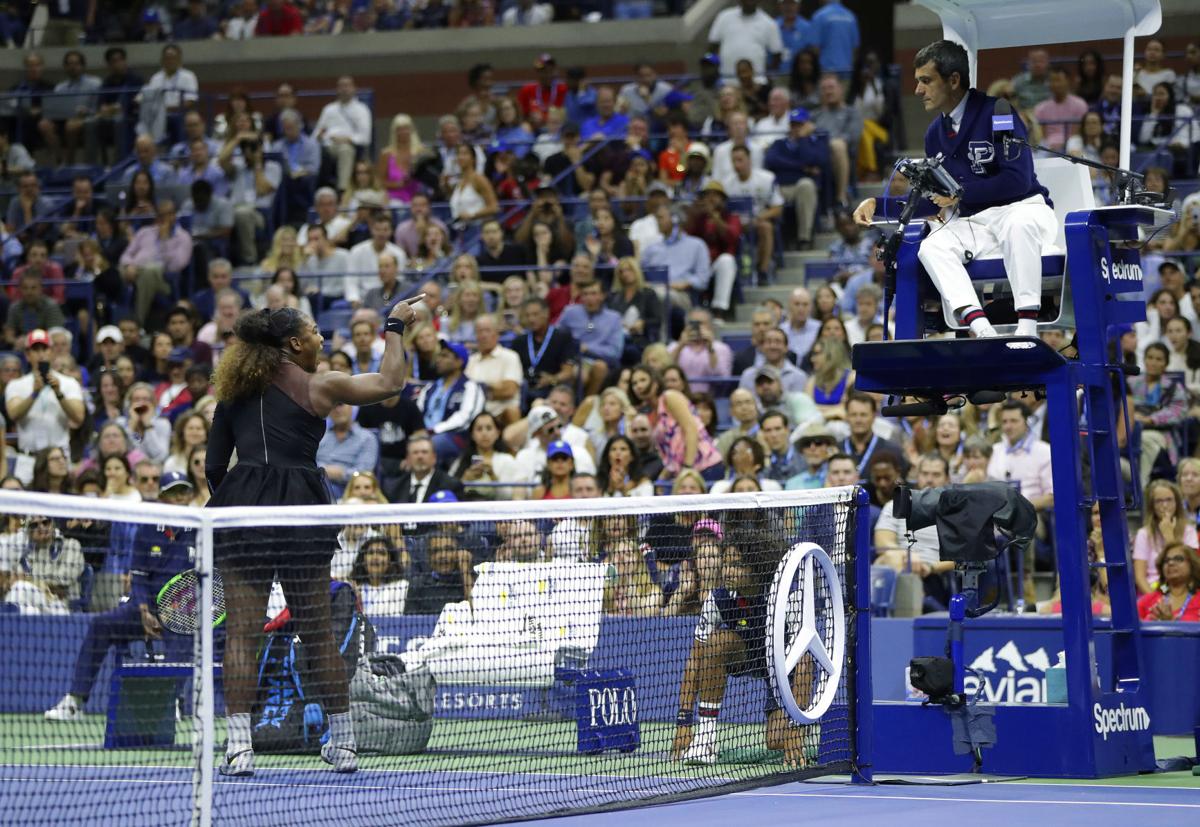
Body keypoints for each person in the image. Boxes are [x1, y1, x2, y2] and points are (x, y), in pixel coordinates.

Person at [205, 294, 421, 777]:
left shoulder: (233, 391)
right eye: (317, 333)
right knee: (317, 630)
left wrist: (235, 503)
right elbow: (390, 383)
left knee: (241, 633)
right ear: (296, 343)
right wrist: (393, 326)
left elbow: (214, 466)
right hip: (303, 505)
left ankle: (239, 748)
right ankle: (343, 744)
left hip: (244, 510)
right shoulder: (320, 385)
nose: (323, 340)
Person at [853, 40, 1057, 339]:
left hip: (1024, 209)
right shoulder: (934, 134)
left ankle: (1027, 328)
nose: (918, 91)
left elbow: (1019, 180)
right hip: (977, 224)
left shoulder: (998, 112)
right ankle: (982, 329)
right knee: (931, 247)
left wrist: (961, 194)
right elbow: (936, 202)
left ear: (953, 80)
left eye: (926, 81)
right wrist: (878, 205)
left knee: (1018, 224)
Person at [43, 472, 197, 722]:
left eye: (183, 492)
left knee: (182, 636)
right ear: (162, 497)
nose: (179, 498)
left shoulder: (201, 528)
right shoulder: (147, 530)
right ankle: (75, 701)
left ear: (190, 496)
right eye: (172, 493)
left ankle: (171, 700)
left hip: (184, 612)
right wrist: (144, 611)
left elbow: (203, 580)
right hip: (145, 609)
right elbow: (139, 577)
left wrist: (179, 610)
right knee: (101, 625)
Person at [672, 531, 812, 766]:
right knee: (716, 642)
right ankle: (706, 739)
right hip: (745, 654)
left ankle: (804, 724)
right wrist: (684, 722)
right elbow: (695, 659)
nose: (728, 571)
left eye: (737, 565)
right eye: (726, 564)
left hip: (784, 668)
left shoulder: (788, 596)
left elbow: (804, 663)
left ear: (756, 566)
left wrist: (795, 728)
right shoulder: (718, 598)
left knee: (777, 741)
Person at [414, 340, 486, 466]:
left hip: (456, 437)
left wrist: (433, 431)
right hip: (425, 434)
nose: (438, 360)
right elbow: (417, 412)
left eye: (445, 356)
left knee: (430, 445)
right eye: (439, 355)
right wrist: (418, 430)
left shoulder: (470, 386)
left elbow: (465, 418)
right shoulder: (430, 388)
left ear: (459, 362)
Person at [1133, 480, 1197, 596]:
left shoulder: (1189, 531)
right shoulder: (1143, 534)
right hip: (1153, 590)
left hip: (1182, 588)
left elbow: (1189, 570)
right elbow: (1140, 577)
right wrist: (1154, 599)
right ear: (1152, 506)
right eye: (1159, 501)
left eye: (1169, 500)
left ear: (1177, 503)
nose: (1165, 505)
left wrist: (1169, 536)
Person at [313, 76, 373, 193]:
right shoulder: (329, 109)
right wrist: (320, 136)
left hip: (348, 145)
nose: (344, 89)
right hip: (328, 145)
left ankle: (343, 190)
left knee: (345, 150)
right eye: (341, 86)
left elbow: (365, 138)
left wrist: (347, 139)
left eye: (347, 86)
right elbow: (316, 133)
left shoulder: (362, 109)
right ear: (337, 89)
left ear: (354, 88)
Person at [707, 0, 783, 80]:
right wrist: (712, 72)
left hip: (756, 82)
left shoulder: (769, 23)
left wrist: (769, 78)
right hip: (727, 81)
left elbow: (777, 54)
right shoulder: (724, 17)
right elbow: (712, 47)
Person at [1136, 543, 1200, 622]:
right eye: (1166, 561)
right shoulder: (1148, 600)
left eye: (1178, 559)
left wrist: (1169, 624)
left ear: (1192, 565)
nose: (1170, 563)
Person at [350, 535, 409, 617]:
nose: (375, 557)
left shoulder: (402, 587)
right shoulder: (353, 590)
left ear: (390, 560)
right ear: (363, 560)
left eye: (381, 553)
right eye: (370, 553)